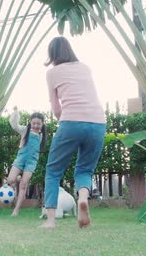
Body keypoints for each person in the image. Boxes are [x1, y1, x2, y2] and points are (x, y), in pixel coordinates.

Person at [41, 37, 106, 229]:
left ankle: (51, 220)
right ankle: (83, 199)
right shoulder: (85, 68)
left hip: (71, 121)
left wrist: (63, 119)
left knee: (53, 171)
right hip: (97, 122)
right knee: (85, 169)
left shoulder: (52, 73)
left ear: (52, 54)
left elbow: (56, 108)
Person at [6, 106, 46, 216]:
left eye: (38, 124)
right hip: (20, 158)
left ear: (42, 124)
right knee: (10, 180)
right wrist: (15, 112)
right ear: (30, 122)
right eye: (34, 123)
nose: (36, 126)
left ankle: (16, 210)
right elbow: (14, 125)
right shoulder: (25, 130)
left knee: (23, 185)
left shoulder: (41, 135)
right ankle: (18, 178)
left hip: (31, 162)